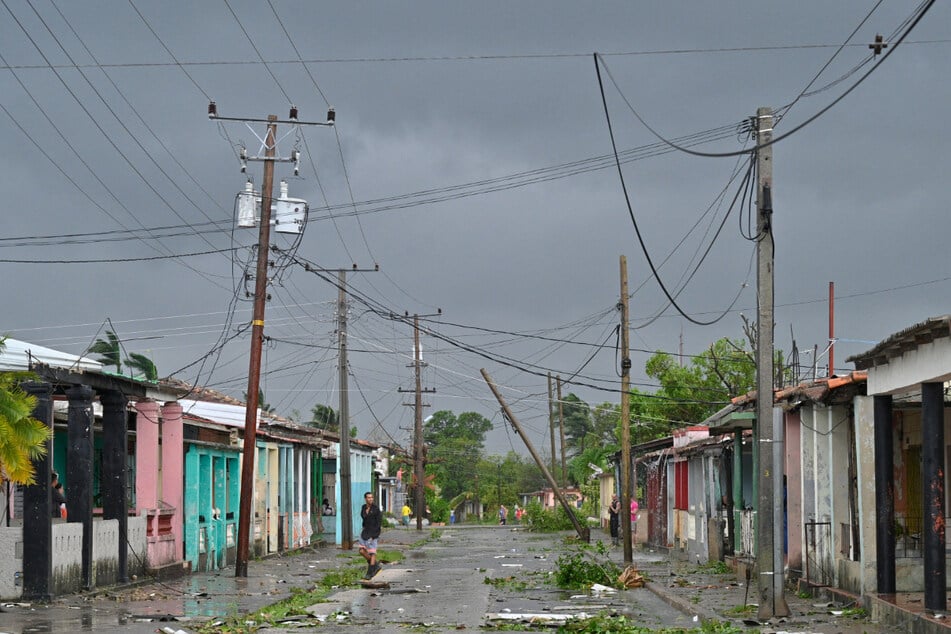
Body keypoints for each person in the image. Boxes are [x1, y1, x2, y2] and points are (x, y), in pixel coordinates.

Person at [358, 491, 383, 579]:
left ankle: (370, 572)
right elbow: (364, 519)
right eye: (369, 497)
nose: (371, 499)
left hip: (373, 532)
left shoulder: (376, 509)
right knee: (361, 551)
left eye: (372, 497)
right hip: (365, 532)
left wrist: (374, 535)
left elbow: (379, 523)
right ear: (365, 499)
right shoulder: (363, 507)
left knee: (372, 553)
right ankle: (375, 565)